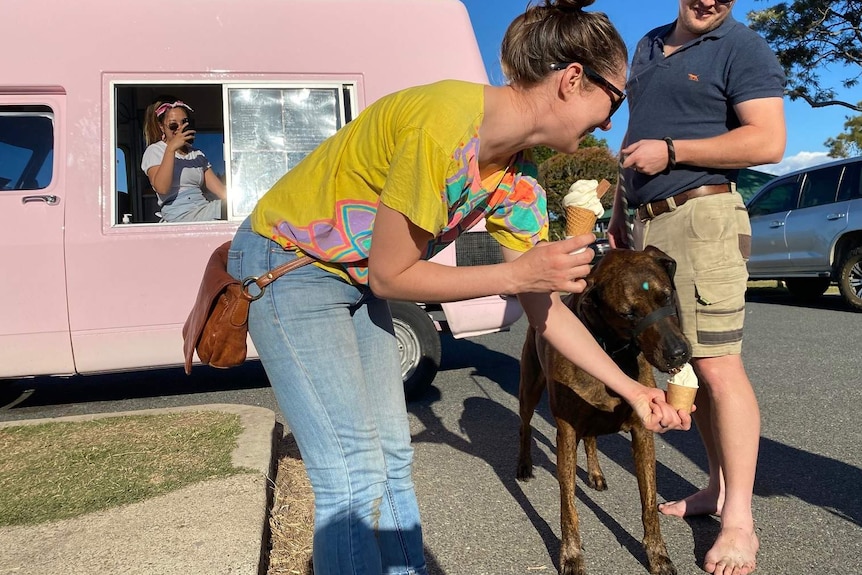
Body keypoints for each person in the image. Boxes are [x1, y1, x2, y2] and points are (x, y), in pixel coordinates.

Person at [229, 1, 691, 573]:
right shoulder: (445, 124)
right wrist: (516, 274)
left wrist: (633, 388)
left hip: (354, 280)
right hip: (290, 263)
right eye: (614, 100)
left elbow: (546, 312)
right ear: (573, 79)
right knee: (351, 474)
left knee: (392, 458)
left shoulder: (519, 182)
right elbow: (392, 275)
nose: (611, 121)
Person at [607, 2, 786, 574]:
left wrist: (676, 151)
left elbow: (767, 142)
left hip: (704, 215)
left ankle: (740, 523)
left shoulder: (742, 46)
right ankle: (714, 488)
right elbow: (637, 137)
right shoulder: (648, 45)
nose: (710, 0)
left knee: (718, 366)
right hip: (648, 220)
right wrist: (619, 207)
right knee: (690, 369)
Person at [141, 96, 227, 222]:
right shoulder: (155, 151)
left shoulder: (197, 154)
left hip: (202, 207)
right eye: (173, 125)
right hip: (178, 213)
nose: (180, 128)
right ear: (161, 127)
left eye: (184, 123)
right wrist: (171, 149)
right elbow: (162, 188)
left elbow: (221, 191)